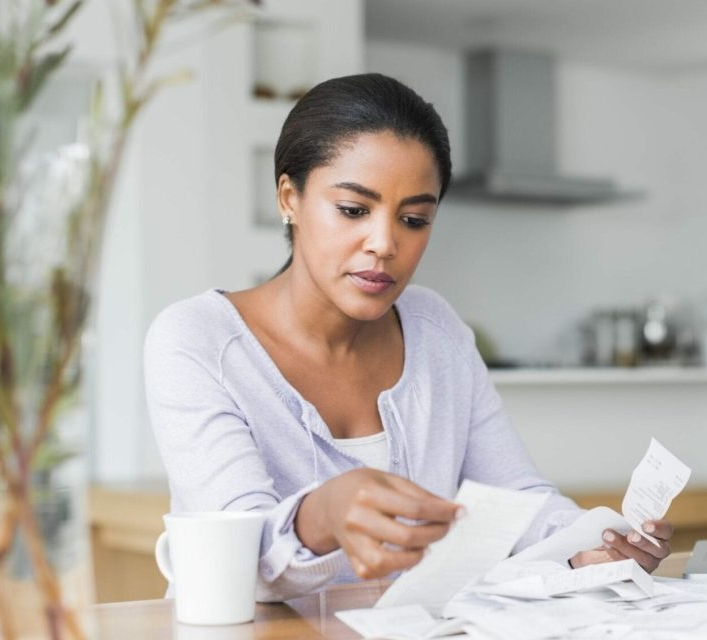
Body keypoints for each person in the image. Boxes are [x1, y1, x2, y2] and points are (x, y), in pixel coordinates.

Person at [144, 73, 673, 601]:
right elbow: (236, 556)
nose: (384, 243)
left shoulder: (434, 328)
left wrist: (593, 546)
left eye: (414, 219)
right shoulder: (197, 342)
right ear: (290, 197)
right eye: (353, 210)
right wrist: (322, 514)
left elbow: (517, 496)